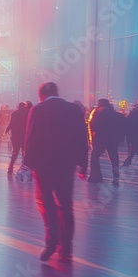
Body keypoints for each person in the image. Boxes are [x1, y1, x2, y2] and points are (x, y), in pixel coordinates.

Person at [23, 82, 89, 262]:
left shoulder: (38, 110)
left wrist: (27, 163)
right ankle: (66, 246)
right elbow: (82, 137)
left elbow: (31, 137)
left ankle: (51, 243)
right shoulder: (74, 110)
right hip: (66, 166)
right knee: (66, 205)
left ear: (41, 95)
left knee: (47, 203)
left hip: (43, 166)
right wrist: (83, 163)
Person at [86, 98, 126, 184]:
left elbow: (93, 126)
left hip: (100, 139)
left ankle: (96, 176)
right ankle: (116, 177)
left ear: (100, 105)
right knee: (114, 158)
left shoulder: (98, 114)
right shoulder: (117, 115)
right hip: (113, 140)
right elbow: (123, 127)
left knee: (95, 157)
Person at [5, 101, 30, 176]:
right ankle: (24, 168)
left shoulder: (14, 113)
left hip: (15, 136)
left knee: (15, 151)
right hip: (24, 136)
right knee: (24, 152)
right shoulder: (27, 114)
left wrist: (7, 130)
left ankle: (11, 167)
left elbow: (11, 123)